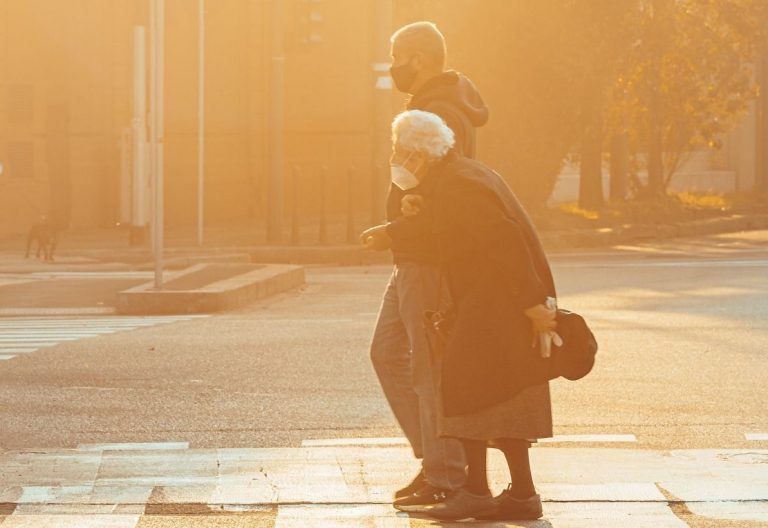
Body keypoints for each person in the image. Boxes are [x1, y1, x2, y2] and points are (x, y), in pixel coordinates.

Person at [387, 109, 557, 522]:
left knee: (466, 393)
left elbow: (505, 241)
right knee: (504, 397)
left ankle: (478, 493)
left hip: (494, 302)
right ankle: (521, 495)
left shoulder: (458, 185)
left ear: (418, 154)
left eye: (398, 150)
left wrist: (534, 303)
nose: (394, 158)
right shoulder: (461, 175)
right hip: (495, 299)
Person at [360, 21, 489, 512]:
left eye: (398, 55)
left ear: (420, 57)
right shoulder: (442, 104)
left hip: (429, 258)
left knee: (427, 369)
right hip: (415, 254)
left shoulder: (438, 111)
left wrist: (397, 230)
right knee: (388, 353)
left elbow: (438, 199)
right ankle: (435, 461)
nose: (394, 66)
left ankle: (447, 476)